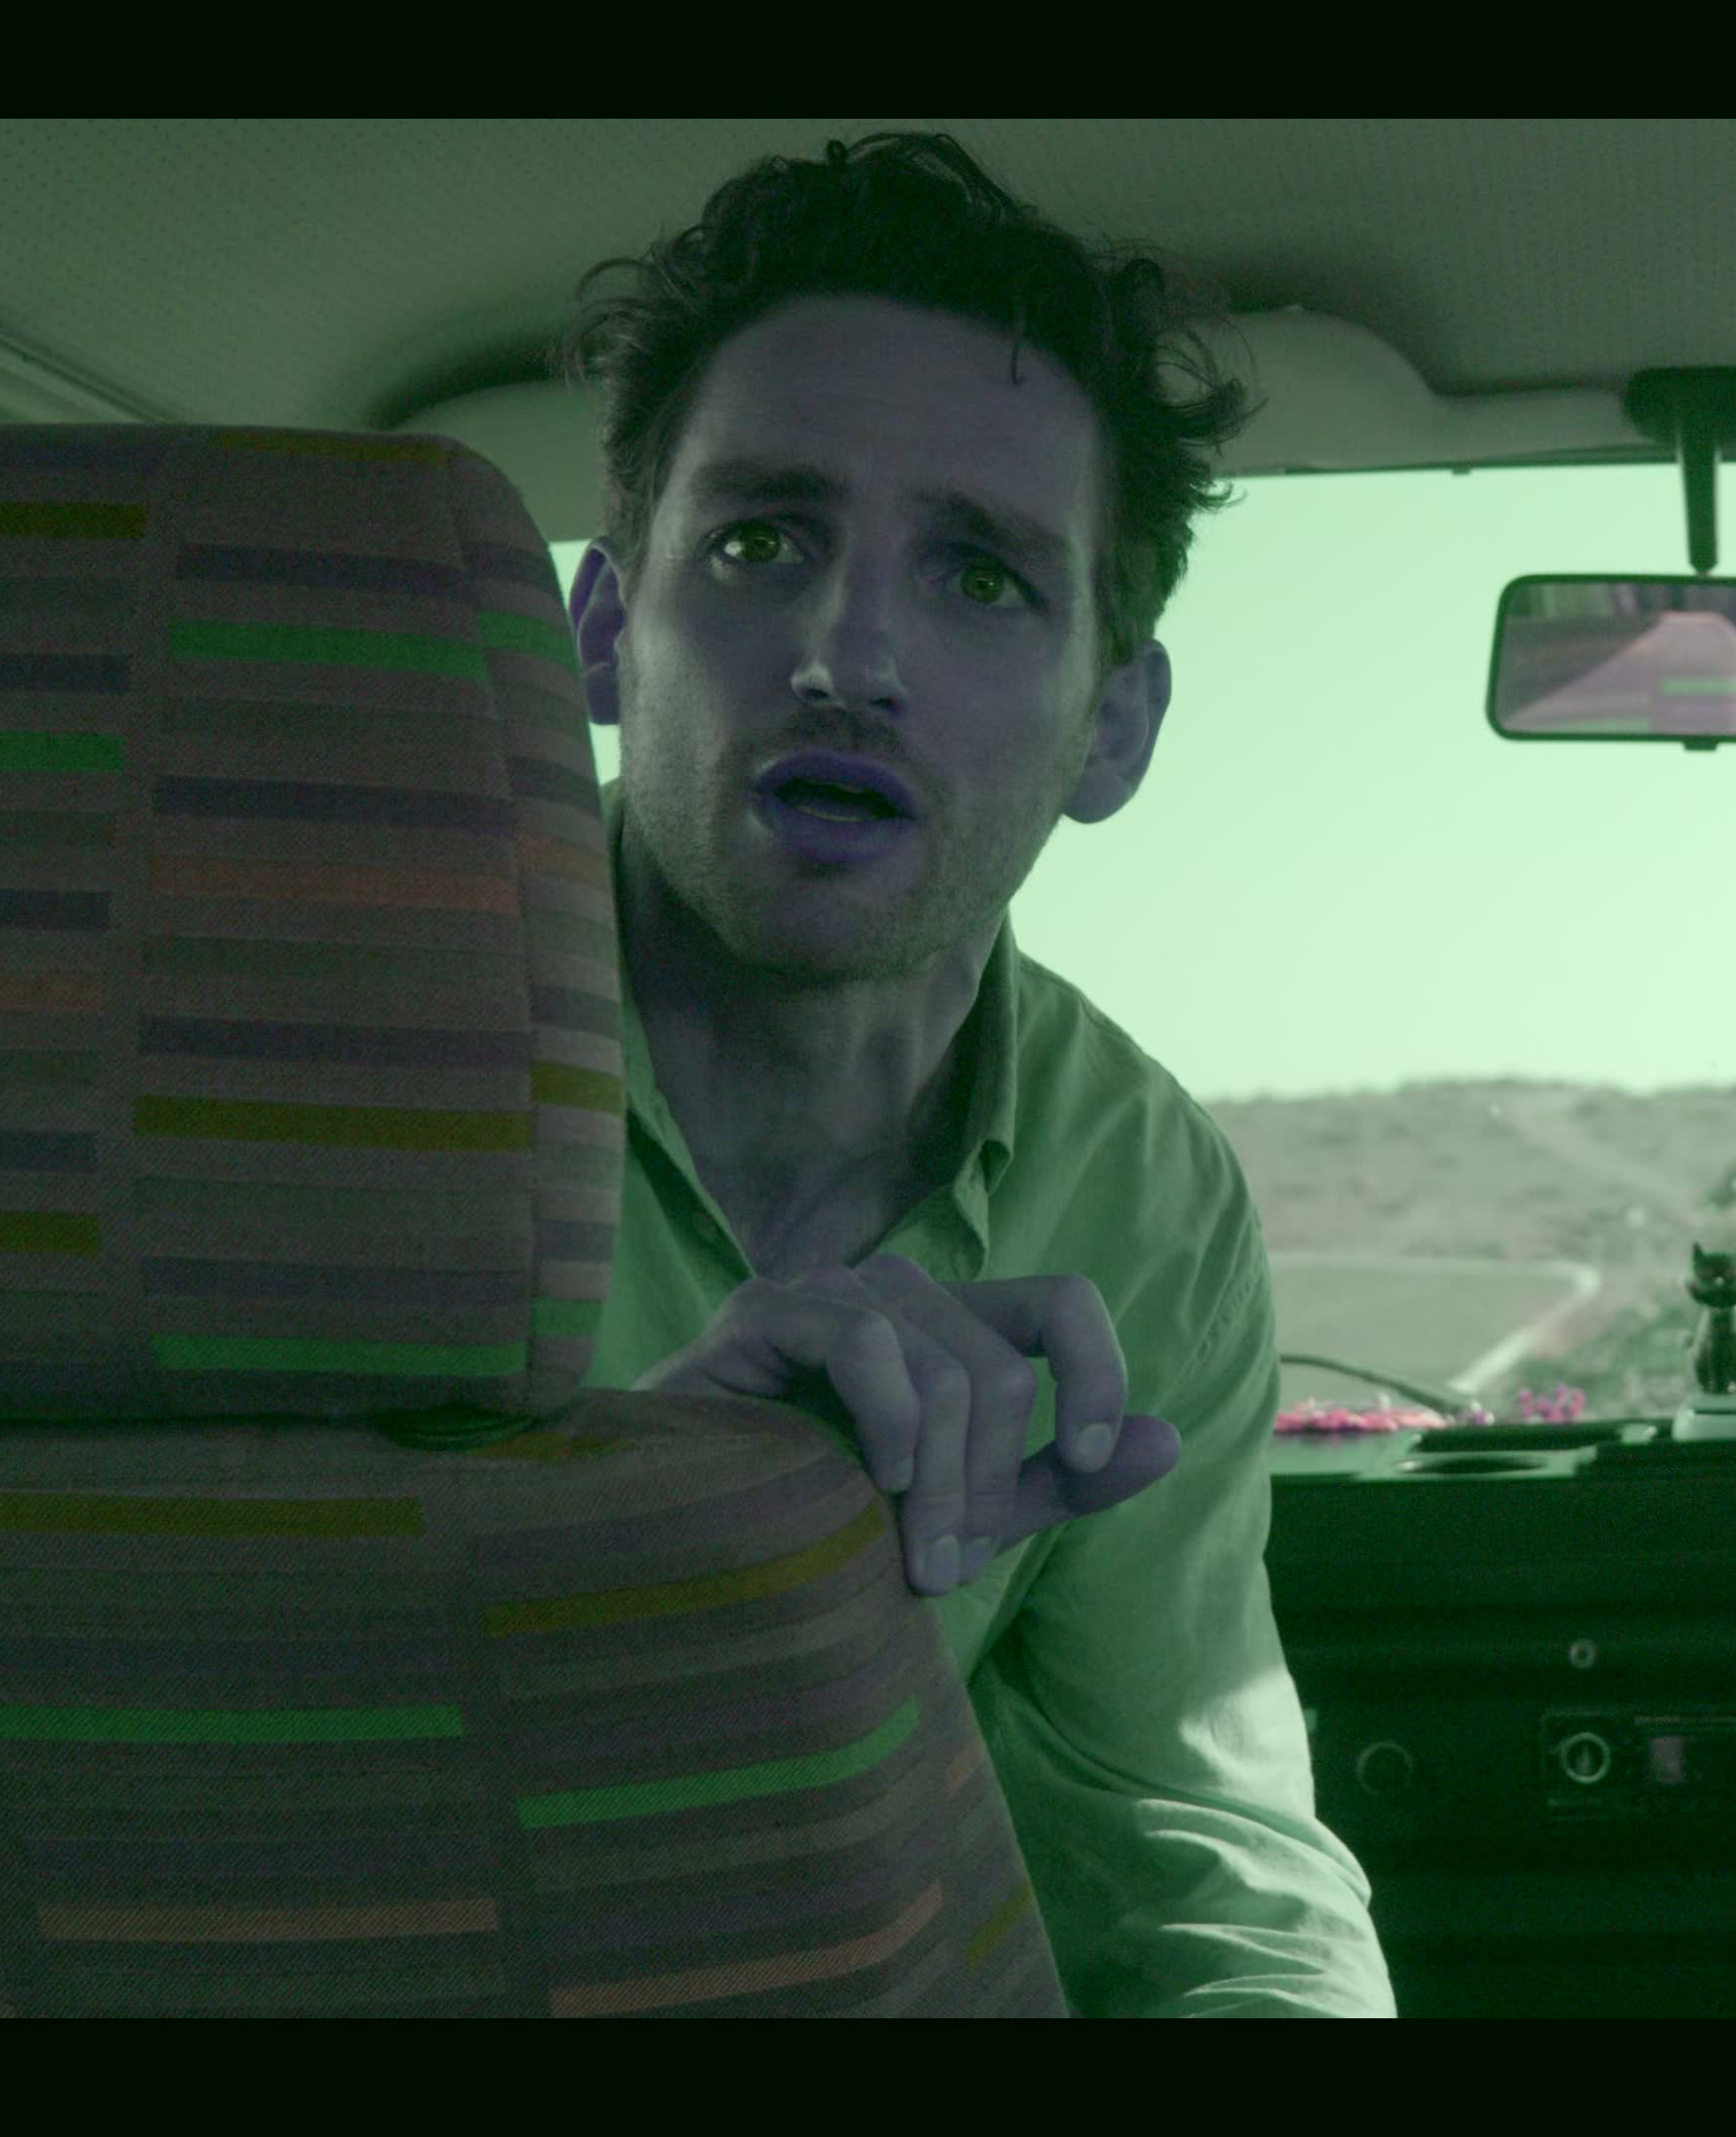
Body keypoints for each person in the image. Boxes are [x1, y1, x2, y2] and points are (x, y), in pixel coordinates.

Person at [559, 134, 1391, 2014]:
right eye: (760, 542)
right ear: (607, 634)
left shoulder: (1143, 1191)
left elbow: (1188, 1829)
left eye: (984, 579)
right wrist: (630, 1542)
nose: (849, 655)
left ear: (1114, 726)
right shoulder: (325, 1075)